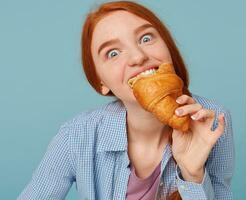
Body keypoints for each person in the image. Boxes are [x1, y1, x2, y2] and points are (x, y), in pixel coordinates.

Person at [18, 1, 234, 199]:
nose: (138, 57)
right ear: (100, 82)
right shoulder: (77, 136)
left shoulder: (211, 121)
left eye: (146, 38)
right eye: (113, 53)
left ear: (167, 47)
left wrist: (193, 175)